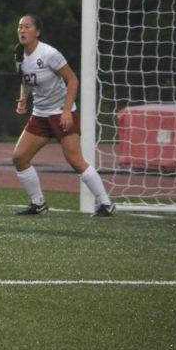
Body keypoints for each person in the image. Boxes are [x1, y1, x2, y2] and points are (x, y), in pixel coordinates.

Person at [12, 15, 115, 216]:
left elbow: (72, 80)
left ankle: (106, 204)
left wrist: (67, 110)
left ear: (37, 32)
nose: (22, 30)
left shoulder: (49, 53)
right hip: (40, 114)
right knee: (19, 157)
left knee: (75, 161)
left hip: (61, 113)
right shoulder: (18, 54)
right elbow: (25, 80)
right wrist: (23, 99)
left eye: (27, 27)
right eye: (19, 27)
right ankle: (38, 203)